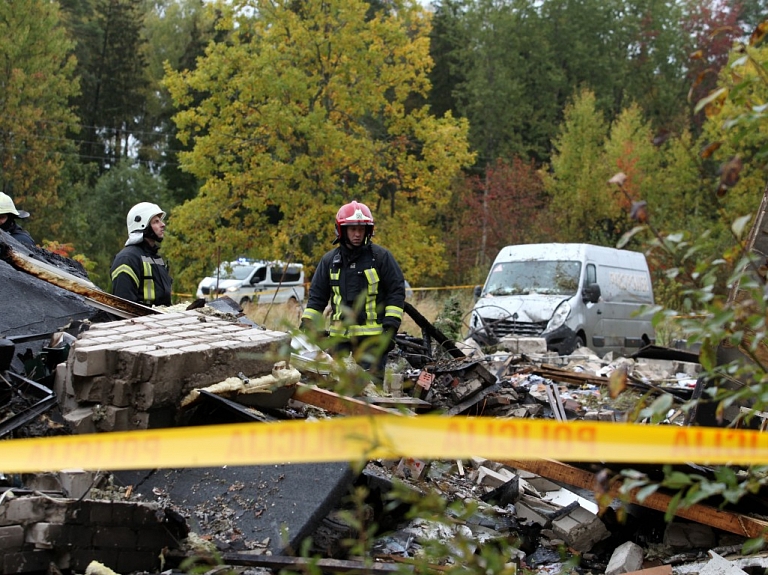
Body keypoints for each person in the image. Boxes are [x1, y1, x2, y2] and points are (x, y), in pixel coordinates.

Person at [301, 200, 405, 381]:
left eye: (361, 229)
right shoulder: (329, 261)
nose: (357, 234)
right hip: (338, 340)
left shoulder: (381, 257)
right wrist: (307, 324)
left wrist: (390, 329)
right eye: (352, 229)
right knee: (333, 386)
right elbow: (317, 298)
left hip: (372, 340)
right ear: (342, 230)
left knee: (371, 390)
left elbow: (396, 293)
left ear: (368, 230)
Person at [110, 202, 173, 307]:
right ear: (143, 225)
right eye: (156, 222)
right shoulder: (127, 259)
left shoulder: (155, 257)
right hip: (139, 322)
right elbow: (124, 306)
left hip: (160, 321)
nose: (163, 225)